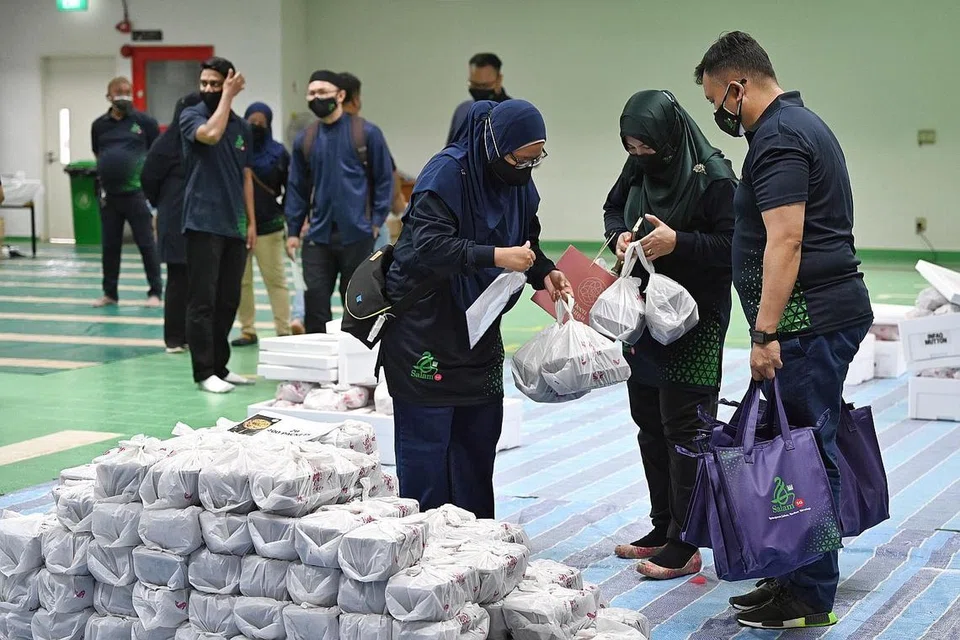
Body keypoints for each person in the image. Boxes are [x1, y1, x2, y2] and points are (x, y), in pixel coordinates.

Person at [696, 31, 872, 630]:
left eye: (717, 99)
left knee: (805, 453)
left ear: (738, 87)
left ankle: (811, 594)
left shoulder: (778, 139)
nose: (718, 113)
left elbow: (787, 239)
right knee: (791, 445)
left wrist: (764, 332)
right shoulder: (794, 126)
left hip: (808, 322)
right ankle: (792, 574)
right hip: (813, 318)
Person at [381, 99, 572, 519]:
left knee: (477, 443)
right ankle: (424, 547)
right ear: (492, 143)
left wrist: (545, 272)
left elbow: (527, 241)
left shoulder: (518, 184)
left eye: (534, 160)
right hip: (425, 328)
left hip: (479, 329)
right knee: (427, 451)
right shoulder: (446, 173)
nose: (524, 168)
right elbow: (427, 247)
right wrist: (495, 256)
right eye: (518, 158)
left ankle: (473, 546)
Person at [603, 90, 737, 580]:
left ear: (670, 138)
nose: (639, 158)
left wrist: (678, 242)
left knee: (685, 431)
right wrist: (617, 234)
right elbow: (613, 207)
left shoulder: (715, 177)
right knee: (649, 422)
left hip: (694, 322)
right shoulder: (638, 166)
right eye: (631, 148)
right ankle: (663, 528)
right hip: (643, 316)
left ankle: (687, 543)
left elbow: (735, 245)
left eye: (647, 149)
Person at [285, 70, 393, 333]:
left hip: (358, 234)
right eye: (311, 93)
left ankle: (354, 366)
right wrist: (293, 231)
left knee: (357, 305)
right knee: (315, 305)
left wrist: (376, 222)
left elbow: (384, 180)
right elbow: (297, 189)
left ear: (340, 95)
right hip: (317, 237)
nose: (315, 98)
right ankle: (316, 369)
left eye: (322, 92)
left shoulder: (367, 133)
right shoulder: (306, 139)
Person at [179, 57, 258, 394]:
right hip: (202, 222)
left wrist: (251, 222)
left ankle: (221, 367)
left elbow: (246, 176)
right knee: (203, 301)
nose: (208, 89)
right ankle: (203, 371)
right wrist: (226, 95)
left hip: (233, 226)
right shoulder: (191, 115)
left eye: (216, 83)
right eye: (205, 84)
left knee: (228, 300)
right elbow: (210, 135)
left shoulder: (241, 128)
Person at [90, 76, 162, 308]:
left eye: (127, 91)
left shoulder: (145, 123)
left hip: (136, 194)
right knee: (110, 246)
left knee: (146, 244)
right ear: (109, 96)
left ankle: (155, 292)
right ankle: (110, 293)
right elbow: (98, 153)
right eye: (119, 92)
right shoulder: (98, 125)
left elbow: (156, 156)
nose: (124, 96)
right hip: (109, 196)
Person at [142, 92, 202, 354]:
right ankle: (174, 338)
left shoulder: (200, 142)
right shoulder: (165, 145)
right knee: (178, 279)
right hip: (174, 219)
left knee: (197, 279)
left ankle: (190, 335)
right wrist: (163, 205)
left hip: (198, 219)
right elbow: (148, 180)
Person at [231, 102, 292, 347]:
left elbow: (292, 187)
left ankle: (283, 330)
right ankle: (247, 330)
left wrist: (287, 214)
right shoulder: (235, 149)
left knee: (275, 280)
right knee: (241, 282)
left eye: (261, 121)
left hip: (269, 227)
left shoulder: (278, 152)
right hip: (239, 226)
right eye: (251, 120)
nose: (255, 125)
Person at [338, 71, 408, 250]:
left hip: (329, 231)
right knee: (373, 275)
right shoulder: (366, 133)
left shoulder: (315, 135)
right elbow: (389, 175)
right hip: (369, 226)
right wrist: (397, 207)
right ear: (355, 100)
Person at [446, 53, 512, 145]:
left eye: (485, 85)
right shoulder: (462, 111)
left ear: (499, 80)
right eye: (474, 84)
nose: (479, 90)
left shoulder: (513, 114)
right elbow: (450, 151)